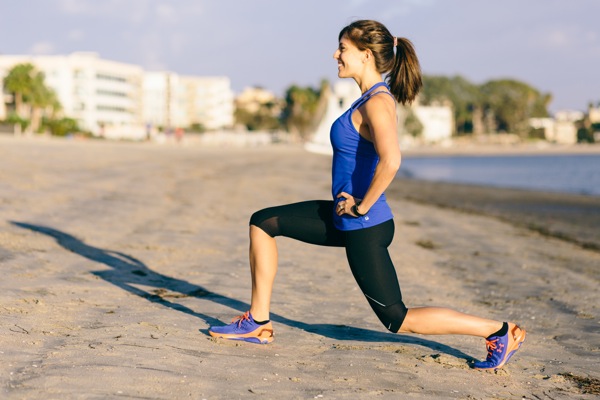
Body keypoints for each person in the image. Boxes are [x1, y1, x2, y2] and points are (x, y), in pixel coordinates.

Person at [209, 19, 526, 371]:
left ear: (365, 55)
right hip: (347, 217)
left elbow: (392, 160)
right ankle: (257, 321)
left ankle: (499, 331)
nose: (336, 55)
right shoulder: (366, 98)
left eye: (342, 49)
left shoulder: (377, 102)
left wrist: (361, 206)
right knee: (263, 222)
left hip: (365, 225)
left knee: (397, 318)